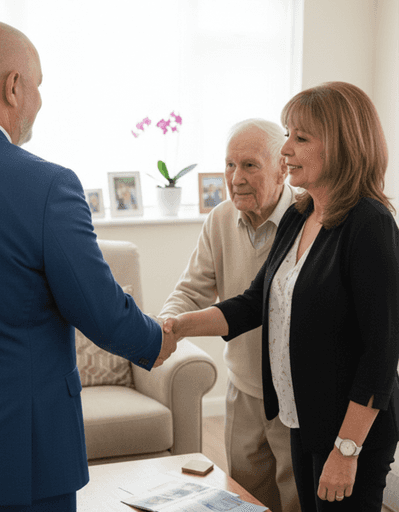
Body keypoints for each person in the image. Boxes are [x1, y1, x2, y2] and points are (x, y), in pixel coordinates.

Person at [0, 20, 178, 512]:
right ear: (14, 86)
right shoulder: (46, 185)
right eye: (38, 86)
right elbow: (102, 312)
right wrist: (157, 337)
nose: (39, 102)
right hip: (12, 461)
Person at [163, 81, 399, 511]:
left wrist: (346, 452)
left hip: (346, 434)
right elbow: (253, 303)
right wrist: (176, 326)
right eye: (287, 135)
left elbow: (380, 354)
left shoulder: (370, 224)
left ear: (343, 146)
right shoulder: (302, 213)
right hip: (300, 419)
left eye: (300, 138)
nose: (286, 148)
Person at [158, 118, 300, 512]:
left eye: (250, 165)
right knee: (247, 498)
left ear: (281, 168)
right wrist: (165, 327)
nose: (236, 177)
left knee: (295, 500)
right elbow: (192, 289)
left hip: (295, 396)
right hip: (243, 388)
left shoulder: (308, 219)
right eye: (230, 165)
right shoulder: (220, 218)